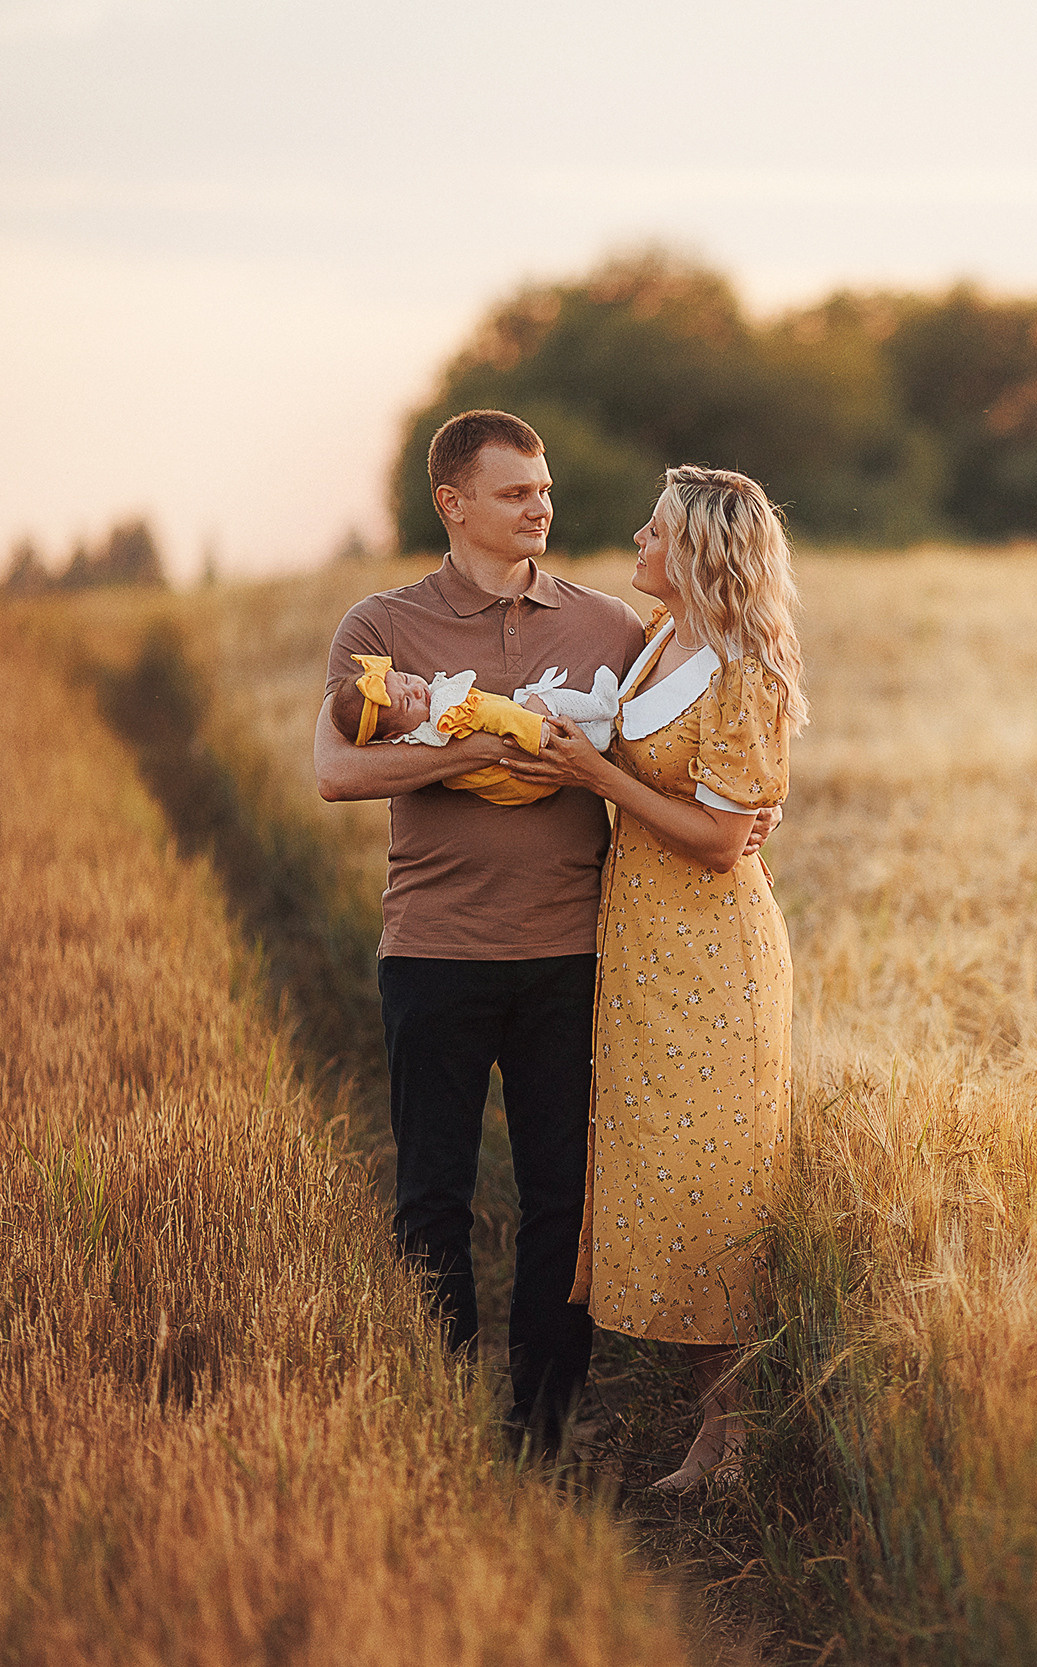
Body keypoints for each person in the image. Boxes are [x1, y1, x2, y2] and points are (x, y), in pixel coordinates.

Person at [314, 411, 772, 1456]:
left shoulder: (611, 625)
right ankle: (437, 1407)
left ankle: (542, 1428)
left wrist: (746, 806)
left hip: (575, 952)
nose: (542, 506)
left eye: (545, 488)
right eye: (517, 491)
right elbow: (337, 768)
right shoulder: (381, 624)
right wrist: (469, 738)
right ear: (453, 502)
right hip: (431, 947)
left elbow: (694, 734)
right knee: (431, 1190)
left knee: (558, 1198)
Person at [546, 464, 804, 1493]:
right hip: (646, 954)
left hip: (713, 956)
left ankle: (728, 1436)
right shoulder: (663, 643)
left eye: (653, 532)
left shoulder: (744, 667)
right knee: (671, 1172)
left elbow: (720, 842)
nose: (635, 542)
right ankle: (712, 1419)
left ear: (694, 549)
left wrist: (596, 776)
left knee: (718, 1184)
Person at [328, 652, 622, 806]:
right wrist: (533, 729)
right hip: (531, 767)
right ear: (392, 735)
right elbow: (491, 714)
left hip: (517, 787)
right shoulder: (444, 710)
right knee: (543, 699)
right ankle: (600, 707)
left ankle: (595, 735)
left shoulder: (416, 741)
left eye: (405, 679)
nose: (416, 690)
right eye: (406, 702)